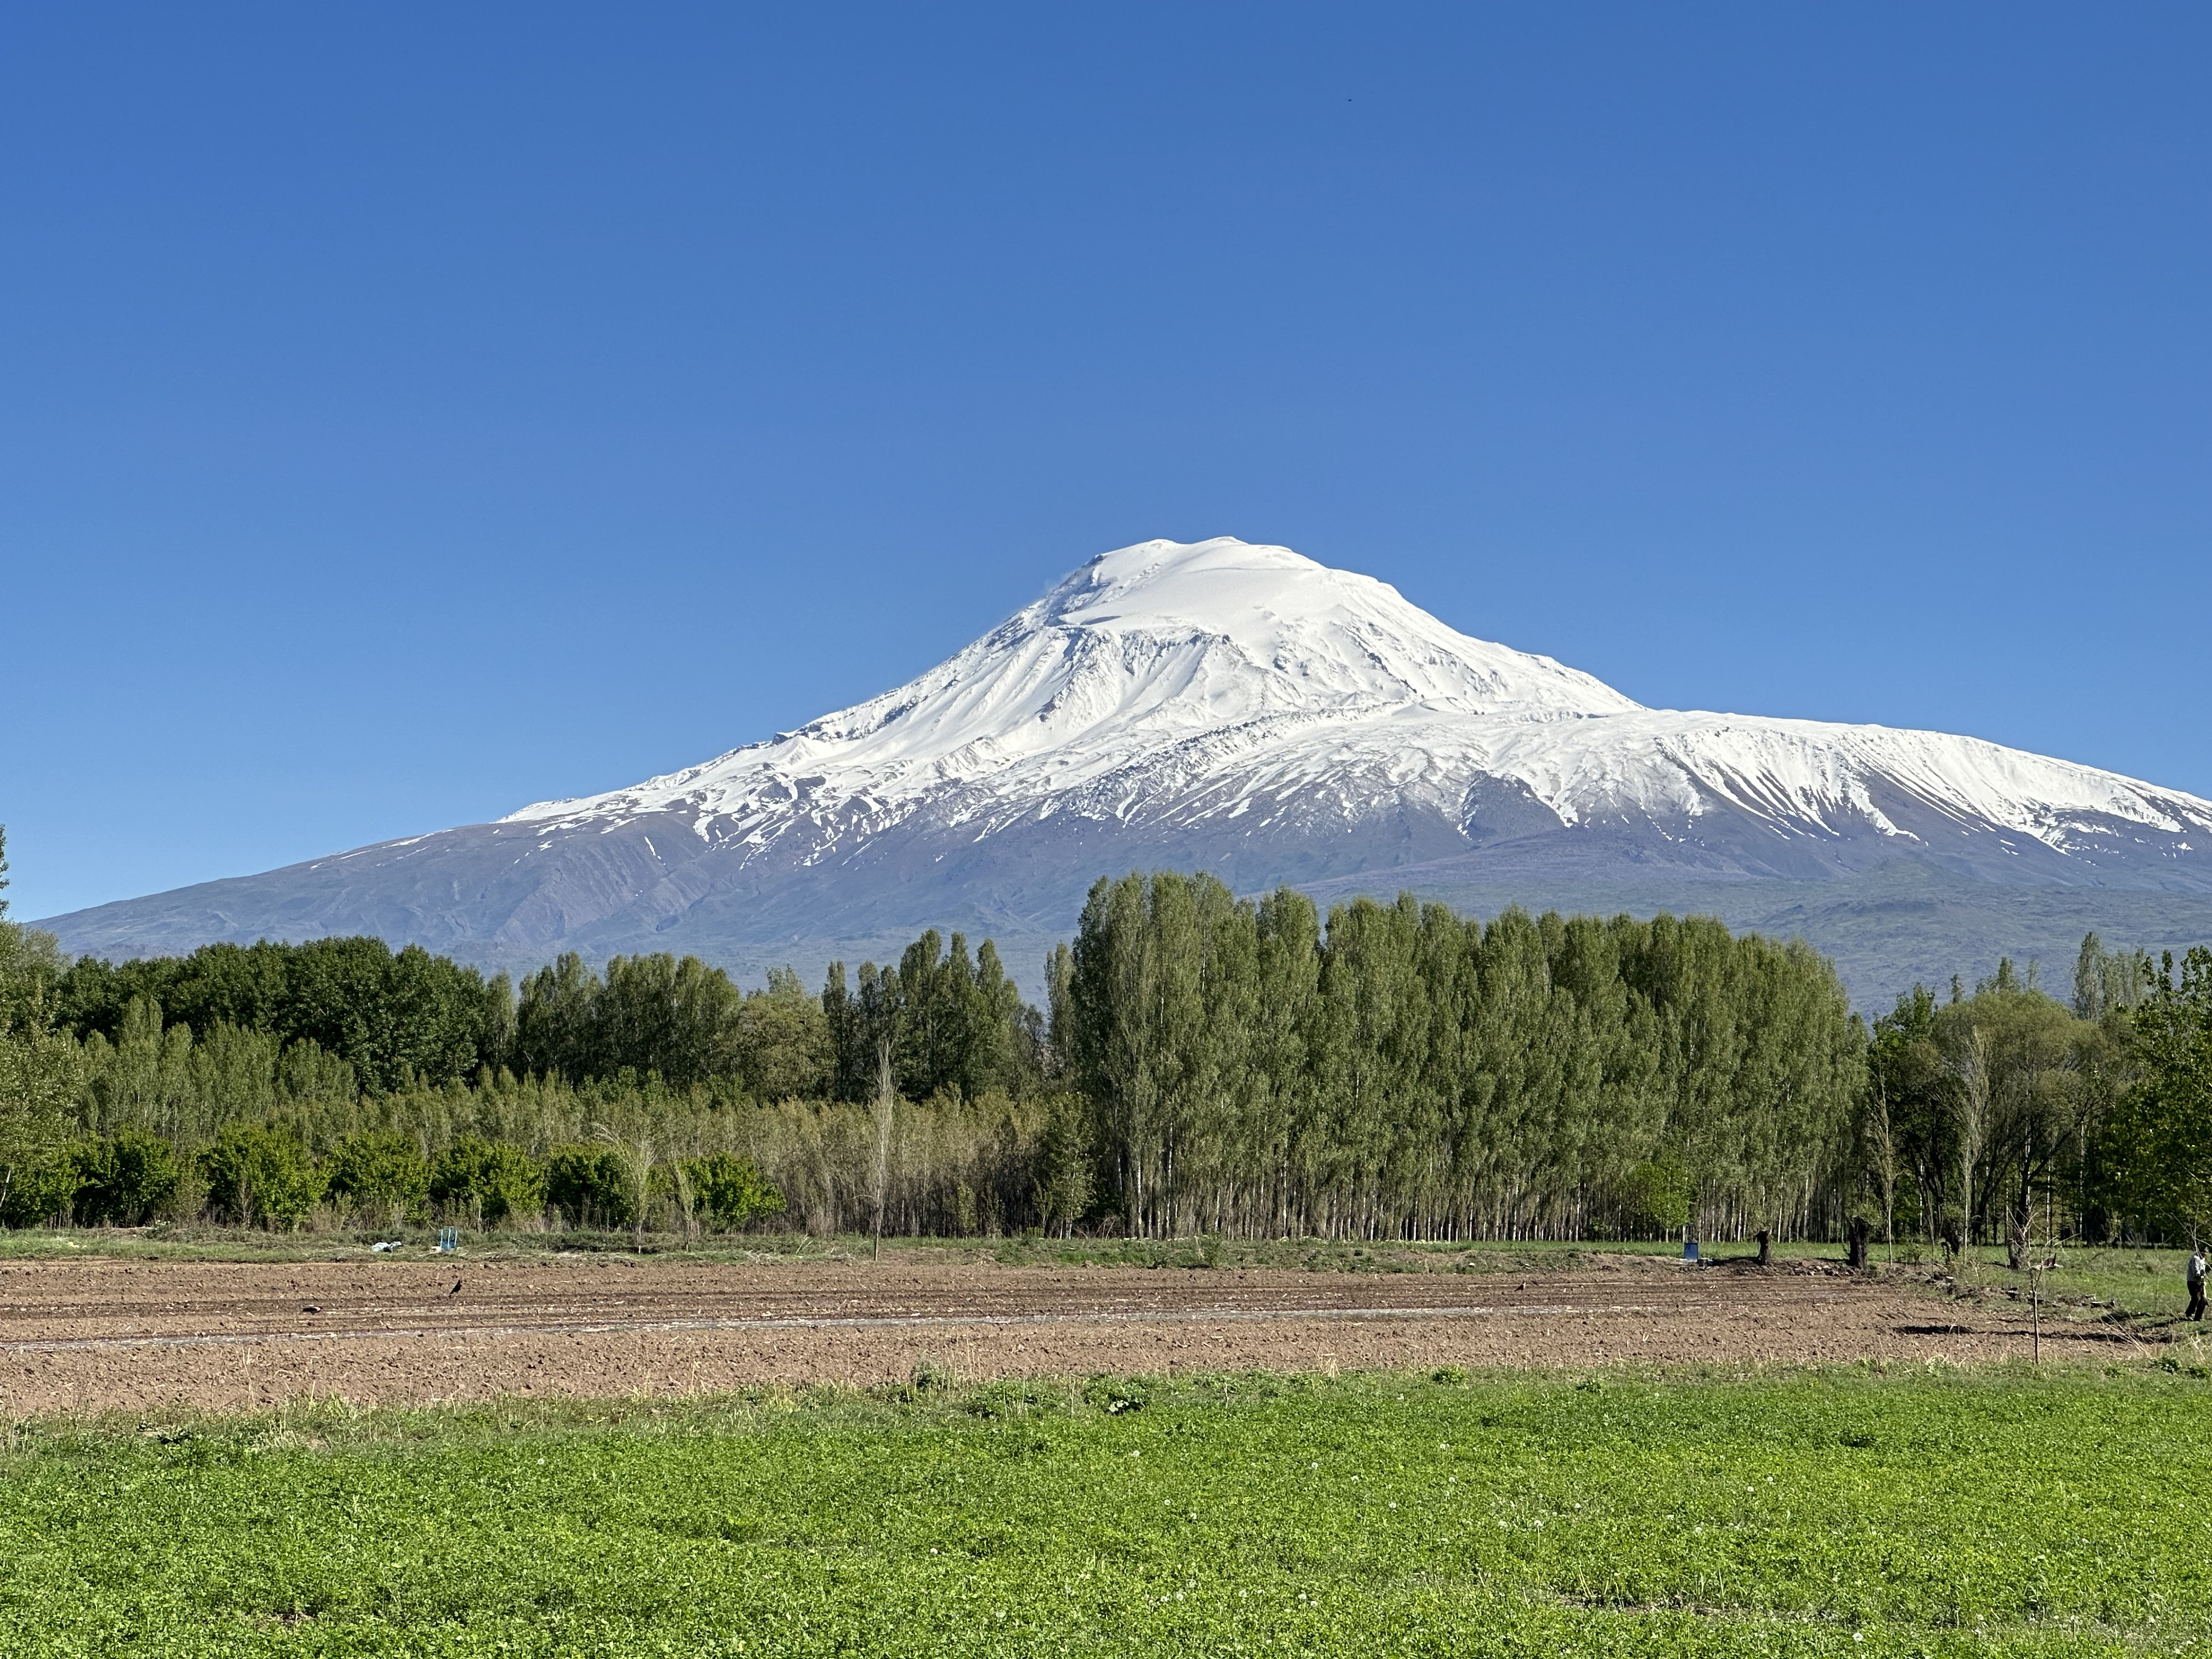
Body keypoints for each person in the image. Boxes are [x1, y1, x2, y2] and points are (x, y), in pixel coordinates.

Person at [2188, 1248, 2208, 1324]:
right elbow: (2196, 1272)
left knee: (2204, 1300)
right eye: (2203, 1252)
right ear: (2199, 1252)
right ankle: (2189, 1314)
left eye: (2206, 1252)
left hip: (2200, 1282)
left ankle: (2198, 1317)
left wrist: (2204, 1276)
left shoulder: (2203, 1260)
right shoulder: (2195, 1259)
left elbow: (2203, 1270)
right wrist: (2201, 1276)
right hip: (2193, 1281)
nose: (2205, 1254)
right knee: (2196, 1298)